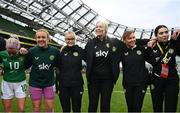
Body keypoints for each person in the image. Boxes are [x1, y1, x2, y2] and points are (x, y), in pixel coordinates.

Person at [85, 20, 123, 112]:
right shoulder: (90, 43)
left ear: (105, 29)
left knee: (105, 105)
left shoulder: (114, 42)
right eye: (96, 27)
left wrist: (151, 41)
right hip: (93, 79)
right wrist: (65, 48)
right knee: (92, 104)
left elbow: (128, 42)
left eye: (100, 27)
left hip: (108, 79)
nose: (98, 28)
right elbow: (82, 54)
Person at [25, 29, 59, 112]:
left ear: (48, 39)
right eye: (38, 37)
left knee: (50, 107)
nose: (41, 39)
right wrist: (22, 55)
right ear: (36, 39)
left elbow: (59, 67)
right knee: (36, 108)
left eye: (43, 37)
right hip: (35, 84)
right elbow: (25, 66)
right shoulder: (32, 51)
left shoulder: (55, 51)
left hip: (49, 84)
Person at [149, 25, 180, 112]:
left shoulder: (173, 43)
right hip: (157, 80)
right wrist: (150, 42)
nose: (164, 35)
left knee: (171, 108)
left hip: (171, 80)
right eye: (161, 33)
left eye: (166, 32)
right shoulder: (152, 45)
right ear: (156, 35)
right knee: (157, 108)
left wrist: (177, 39)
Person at [121, 31, 153, 112]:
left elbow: (152, 60)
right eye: (129, 38)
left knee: (137, 108)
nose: (132, 40)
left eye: (133, 37)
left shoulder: (141, 49)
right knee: (130, 109)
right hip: (127, 84)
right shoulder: (122, 50)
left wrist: (149, 42)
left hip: (141, 84)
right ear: (124, 40)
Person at [56, 31, 84, 112]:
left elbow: (90, 59)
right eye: (68, 39)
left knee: (77, 109)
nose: (70, 40)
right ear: (65, 40)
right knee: (65, 110)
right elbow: (58, 69)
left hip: (77, 85)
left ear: (75, 39)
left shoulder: (79, 50)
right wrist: (57, 85)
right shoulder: (62, 52)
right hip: (64, 85)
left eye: (72, 39)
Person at [0, 37, 27, 112]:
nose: (11, 53)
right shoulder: (2, 54)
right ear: (6, 47)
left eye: (13, 50)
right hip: (6, 83)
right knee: (7, 108)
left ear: (18, 48)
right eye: (9, 50)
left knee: (21, 109)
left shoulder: (23, 54)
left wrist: (25, 51)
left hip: (20, 82)